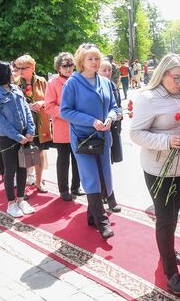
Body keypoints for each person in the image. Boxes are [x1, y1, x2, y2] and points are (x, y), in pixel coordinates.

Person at [130, 54, 180, 295]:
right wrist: (165, 140)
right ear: (163, 74)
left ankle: (168, 251)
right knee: (164, 217)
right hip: (159, 169)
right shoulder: (148, 99)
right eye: (177, 78)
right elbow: (136, 134)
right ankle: (171, 274)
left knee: (174, 214)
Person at [60, 43, 119, 239]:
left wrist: (111, 117)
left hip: (103, 136)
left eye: (97, 58)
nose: (94, 62)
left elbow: (114, 106)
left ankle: (92, 216)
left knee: (104, 175)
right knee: (91, 176)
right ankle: (102, 221)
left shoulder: (105, 82)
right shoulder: (72, 83)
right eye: (90, 59)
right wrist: (91, 121)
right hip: (83, 138)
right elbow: (65, 111)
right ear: (81, 62)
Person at [0, 61, 36, 217]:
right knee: (10, 170)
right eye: (11, 71)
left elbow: (26, 110)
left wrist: (30, 130)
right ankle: (11, 203)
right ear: (3, 73)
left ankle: (21, 199)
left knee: (23, 167)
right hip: (7, 138)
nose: (14, 73)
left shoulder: (16, 89)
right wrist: (17, 137)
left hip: (24, 136)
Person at [44, 52, 82, 201]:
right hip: (63, 127)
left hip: (79, 127)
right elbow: (49, 106)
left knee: (78, 159)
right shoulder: (53, 83)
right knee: (64, 159)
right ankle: (63, 189)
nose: (68, 68)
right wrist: (67, 113)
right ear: (58, 68)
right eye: (65, 66)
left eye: (70, 65)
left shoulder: (79, 80)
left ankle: (76, 187)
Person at [14, 54, 53, 194]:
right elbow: (13, 105)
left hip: (40, 124)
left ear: (32, 67)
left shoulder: (42, 81)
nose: (20, 71)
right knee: (24, 154)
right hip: (22, 124)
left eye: (23, 68)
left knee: (39, 152)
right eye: (18, 68)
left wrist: (42, 103)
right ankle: (21, 186)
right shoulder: (15, 83)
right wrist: (26, 107)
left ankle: (38, 182)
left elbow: (51, 99)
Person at [99, 61, 123, 165]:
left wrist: (120, 113)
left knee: (111, 155)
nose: (107, 72)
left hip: (115, 125)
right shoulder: (97, 86)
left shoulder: (113, 85)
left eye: (109, 70)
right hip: (104, 126)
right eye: (104, 70)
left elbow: (118, 103)